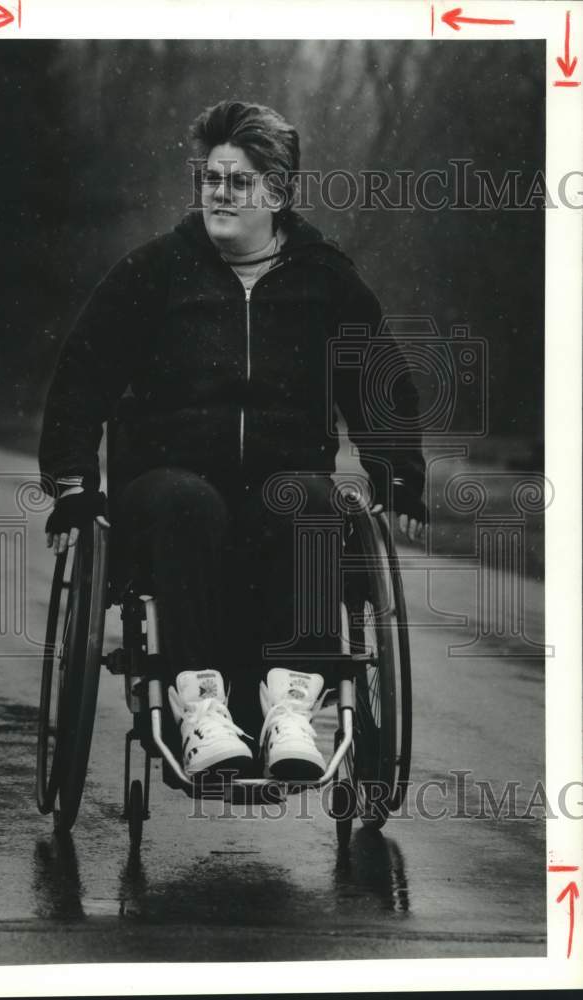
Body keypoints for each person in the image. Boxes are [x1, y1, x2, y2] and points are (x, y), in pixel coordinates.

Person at [39, 100, 426, 783]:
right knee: (191, 504)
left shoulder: (323, 280)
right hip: (166, 483)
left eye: (238, 181)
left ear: (276, 192)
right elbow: (82, 376)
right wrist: (73, 485)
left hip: (281, 483)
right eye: (211, 177)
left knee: (307, 500)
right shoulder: (155, 272)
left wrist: (398, 476)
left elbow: (377, 381)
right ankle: (203, 710)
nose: (218, 192)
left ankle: (291, 710)